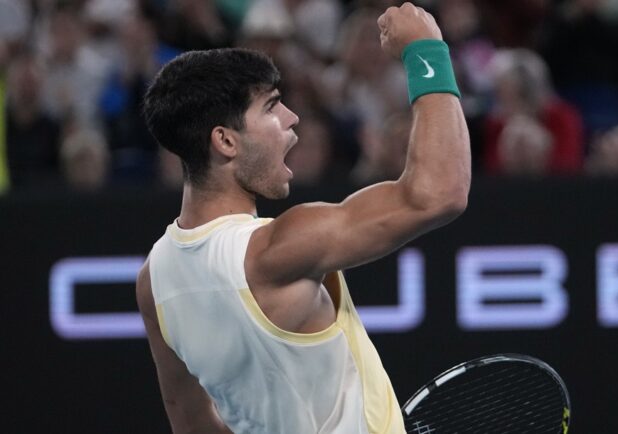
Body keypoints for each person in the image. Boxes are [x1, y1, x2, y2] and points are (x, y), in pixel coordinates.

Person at [135, 3, 470, 434]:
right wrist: (427, 51)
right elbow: (440, 192)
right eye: (272, 108)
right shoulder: (280, 248)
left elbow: (192, 423)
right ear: (225, 141)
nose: (292, 119)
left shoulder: (154, 280)